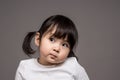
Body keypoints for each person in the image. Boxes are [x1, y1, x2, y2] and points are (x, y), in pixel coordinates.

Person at [15, 15, 89, 80]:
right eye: (52, 39)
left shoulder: (73, 66)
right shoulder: (25, 67)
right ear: (38, 39)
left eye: (64, 45)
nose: (56, 49)